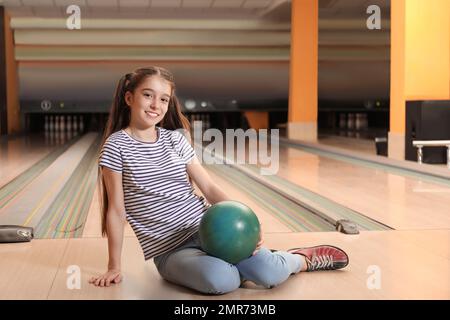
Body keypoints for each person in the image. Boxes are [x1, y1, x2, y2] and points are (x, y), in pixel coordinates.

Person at [90, 66, 349, 294]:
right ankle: (237, 266)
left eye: (164, 99)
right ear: (129, 97)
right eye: (148, 95)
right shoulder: (116, 146)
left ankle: (297, 259)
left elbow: (209, 188)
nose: (156, 105)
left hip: (214, 230)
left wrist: (249, 223)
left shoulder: (175, 140)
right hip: (171, 251)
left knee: (269, 274)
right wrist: (114, 266)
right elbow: (116, 210)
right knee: (221, 281)